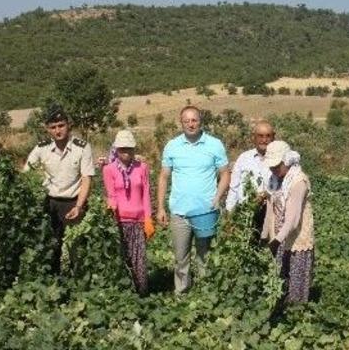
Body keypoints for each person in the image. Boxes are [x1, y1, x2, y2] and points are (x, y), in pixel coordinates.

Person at [156, 106, 230, 294]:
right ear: (181, 123)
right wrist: (161, 208)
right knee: (181, 258)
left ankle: (205, 295)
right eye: (187, 121)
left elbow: (225, 174)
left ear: (200, 121)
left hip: (206, 211)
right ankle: (182, 293)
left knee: (205, 256)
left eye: (194, 120)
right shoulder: (172, 146)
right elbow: (164, 176)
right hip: (179, 212)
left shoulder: (214, 144)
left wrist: (217, 199)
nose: (191, 124)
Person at [24, 105, 95, 274]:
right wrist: (38, 184)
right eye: (53, 127)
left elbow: (87, 178)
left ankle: (78, 281)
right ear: (48, 129)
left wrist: (79, 206)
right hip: (51, 203)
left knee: (76, 247)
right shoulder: (42, 148)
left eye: (61, 125)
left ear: (68, 125)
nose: (58, 130)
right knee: (52, 245)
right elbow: (27, 171)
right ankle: (54, 280)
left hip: (74, 202)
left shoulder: (82, 147)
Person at [261, 140, 315, 304]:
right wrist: (265, 235)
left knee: (295, 275)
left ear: (287, 161)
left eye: (276, 165)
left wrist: (277, 240)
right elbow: (270, 209)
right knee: (278, 277)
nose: (273, 169)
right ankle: (279, 309)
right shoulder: (274, 179)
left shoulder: (298, 181)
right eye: (271, 166)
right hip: (278, 235)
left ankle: (296, 314)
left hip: (295, 235)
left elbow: (293, 218)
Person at [102, 130, 154, 295]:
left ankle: (142, 294)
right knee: (123, 259)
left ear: (133, 149)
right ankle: (125, 293)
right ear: (116, 149)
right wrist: (111, 208)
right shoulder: (108, 169)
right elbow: (111, 194)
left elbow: (146, 193)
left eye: (129, 148)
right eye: (122, 149)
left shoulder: (142, 168)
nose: (125, 152)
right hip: (120, 221)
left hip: (138, 221)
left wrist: (148, 218)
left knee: (139, 260)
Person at [225, 121, 276, 237]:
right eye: (260, 136)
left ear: (274, 137)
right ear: (254, 137)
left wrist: (266, 195)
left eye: (268, 136)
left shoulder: (280, 161)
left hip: (272, 214)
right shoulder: (244, 158)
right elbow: (234, 188)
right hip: (245, 215)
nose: (264, 140)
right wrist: (229, 215)